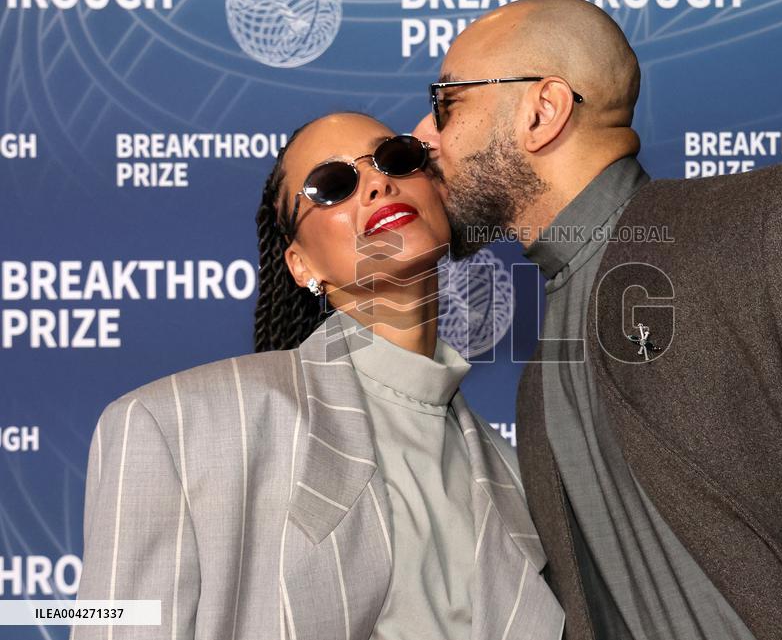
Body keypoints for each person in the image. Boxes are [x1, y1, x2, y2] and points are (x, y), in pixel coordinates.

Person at [411, 0, 782, 640]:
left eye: (447, 103)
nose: (423, 135)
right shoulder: (541, 373)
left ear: (542, 110)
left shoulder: (767, 223)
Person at [71, 112, 564, 640]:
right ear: (301, 264)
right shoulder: (175, 426)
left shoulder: (520, 477)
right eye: (332, 185)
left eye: (395, 158)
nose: (376, 183)